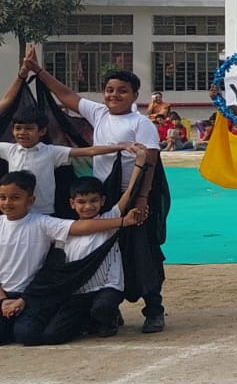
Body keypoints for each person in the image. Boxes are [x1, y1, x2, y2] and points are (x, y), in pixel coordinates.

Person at [26, 48, 166, 332]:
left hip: (134, 195)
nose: (114, 95)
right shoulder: (99, 113)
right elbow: (66, 96)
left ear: (134, 95)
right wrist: (38, 71)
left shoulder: (141, 123)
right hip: (105, 196)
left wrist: (141, 198)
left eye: (122, 91)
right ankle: (108, 309)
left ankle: (154, 310)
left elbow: (150, 161)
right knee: (103, 250)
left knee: (143, 251)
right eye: (109, 90)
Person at [14, 155, 148, 344]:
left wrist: (139, 164)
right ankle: (87, 321)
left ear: (103, 201)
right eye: (82, 202)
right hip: (78, 291)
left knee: (102, 307)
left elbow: (129, 193)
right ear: (72, 203)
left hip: (107, 287)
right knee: (52, 336)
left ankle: (109, 319)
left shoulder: (111, 219)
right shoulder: (65, 230)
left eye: (94, 201)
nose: (88, 206)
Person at [0, 105, 126, 217]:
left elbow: (89, 151)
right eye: (18, 128)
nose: (22, 132)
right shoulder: (9, 150)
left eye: (28, 128)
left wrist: (121, 147)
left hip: (44, 211)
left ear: (42, 131)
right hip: (17, 211)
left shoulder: (51, 152)